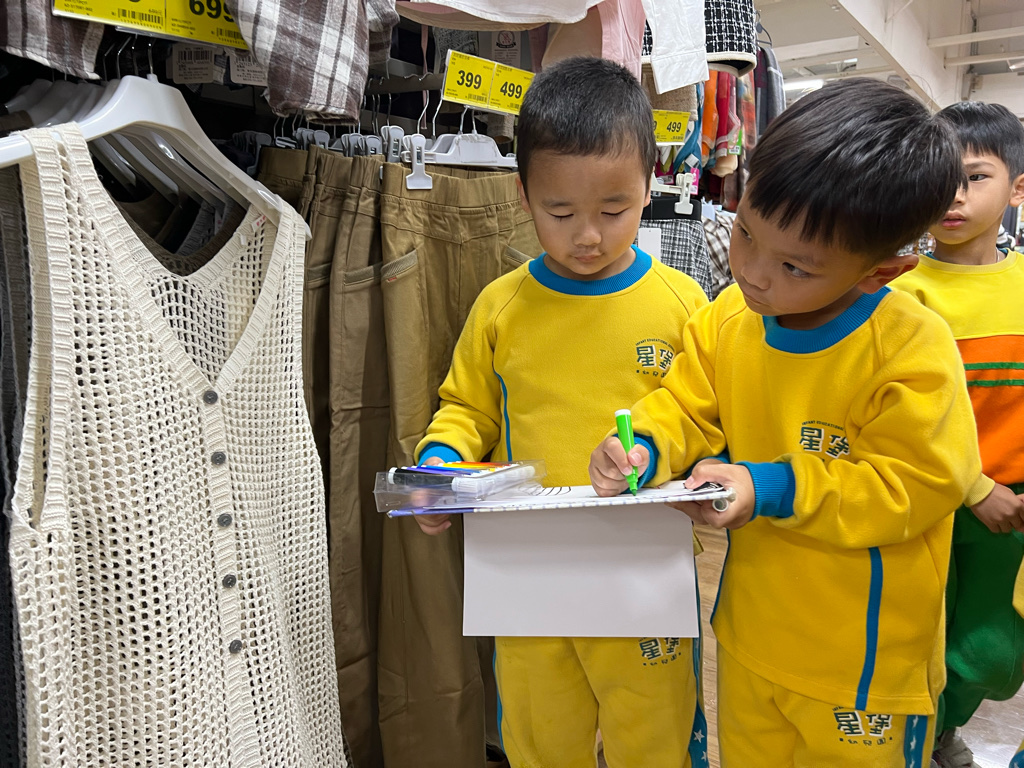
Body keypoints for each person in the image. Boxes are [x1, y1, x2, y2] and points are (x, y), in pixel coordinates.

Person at [589, 78, 987, 767]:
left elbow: (920, 483)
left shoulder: (910, 347)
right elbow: (684, 403)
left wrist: (773, 486)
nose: (753, 273)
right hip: (749, 640)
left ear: (882, 271)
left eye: (795, 267)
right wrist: (645, 447)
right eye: (745, 231)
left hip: (863, 668)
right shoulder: (728, 319)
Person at [410, 57, 710, 768]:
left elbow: (706, 416)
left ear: (650, 185)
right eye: (561, 213)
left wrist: (677, 461)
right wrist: (442, 463)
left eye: (614, 211)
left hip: (644, 571)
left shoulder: (682, 305)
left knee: (655, 737)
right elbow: (465, 409)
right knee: (540, 737)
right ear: (523, 194)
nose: (588, 236)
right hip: (527, 572)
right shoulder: (501, 307)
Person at [890, 101, 1024, 768]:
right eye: (941, 178)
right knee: (914, 641)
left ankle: (938, 729)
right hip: (932, 503)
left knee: (996, 656)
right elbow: (910, 418)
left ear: (1017, 188)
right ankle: (922, 741)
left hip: (1012, 510)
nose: (954, 196)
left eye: (974, 178)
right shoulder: (900, 292)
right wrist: (972, 486)